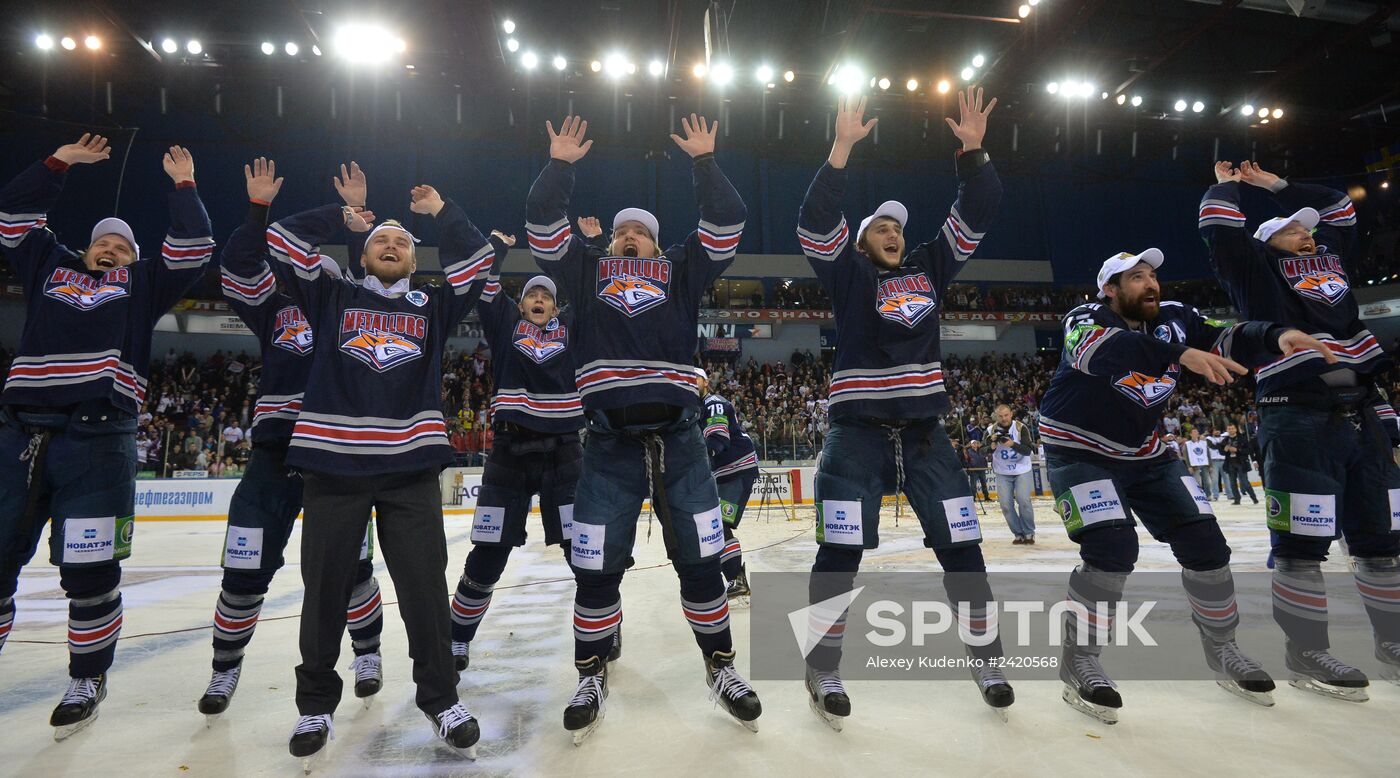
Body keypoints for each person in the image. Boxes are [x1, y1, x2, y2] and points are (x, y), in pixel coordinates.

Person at [526, 114, 761, 741]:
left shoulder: (683, 272)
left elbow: (730, 220)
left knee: (704, 563)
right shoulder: (586, 271)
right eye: (623, 232)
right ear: (611, 245)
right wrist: (560, 166)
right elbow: (541, 222)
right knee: (596, 568)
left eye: (642, 232)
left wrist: (705, 163)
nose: (630, 237)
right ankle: (591, 669)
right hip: (606, 446)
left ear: (658, 246)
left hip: (682, 443)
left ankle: (720, 667)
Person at [252, 163, 496, 765]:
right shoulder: (331, 294)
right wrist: (341, 216)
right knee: (324, 593)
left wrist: (441, 214)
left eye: (402, 242)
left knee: (424, 594)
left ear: (414, 259)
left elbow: (477, 264)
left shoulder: (432, 305)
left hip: (409, 472)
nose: (392, 246)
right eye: (381, 240)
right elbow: (280, 239)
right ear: (363, 255)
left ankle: (441, 699)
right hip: (332, 471)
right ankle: (315, 705)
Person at [1040, 247, 1335, 723]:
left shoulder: (1176, 317)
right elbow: (1098, 353)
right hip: (1078, 450)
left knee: (1208, 546)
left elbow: (1229, 335)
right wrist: (1181, 354)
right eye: (1136, 277)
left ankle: (1222, 649)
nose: (1151, 283)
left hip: (1147, 453)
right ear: (1110, 290)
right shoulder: (1085, 316)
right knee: (1111, 549)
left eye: (1153, 274)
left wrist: (1278, 335)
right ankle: (1081, 659)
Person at [797, 91, 1013, 729]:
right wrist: (839, 153)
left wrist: (973, 154)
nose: (892, 233)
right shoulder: (847, 274)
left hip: (925, 436)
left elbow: (980, 207)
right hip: (856, 435)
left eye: (897, 227)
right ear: (861, 243)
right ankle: (823, 662)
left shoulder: (928, 267)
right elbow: (812, 223)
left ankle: (986, 656)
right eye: (879, 229)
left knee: (963, 547)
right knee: (839, 551)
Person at [0, 135, 214, 739]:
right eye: (103, 243)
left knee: (91, 573)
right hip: (18, 436)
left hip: (100, 439)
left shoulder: (143, 283)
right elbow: (13, 213)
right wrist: (57, 162)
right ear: (86, 248)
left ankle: (87, 677)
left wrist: (185, 187)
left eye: (123, 246)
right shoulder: (47, 262)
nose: (112, 250)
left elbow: (195, 245)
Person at [1202, 159, 1400, 698]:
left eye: (1308, 229)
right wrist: (1228, 186)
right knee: (1301, 545)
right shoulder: (1253, 268)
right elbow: (1219, 228)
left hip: (1362, 413)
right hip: (1296, 417)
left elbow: (1341, 208)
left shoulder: (1332, 262)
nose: (1307, 235)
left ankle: (1392, 642)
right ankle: (1306, 649)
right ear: (1266, 241)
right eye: (1293, 229)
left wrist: (1279, 186)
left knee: (1383, 541)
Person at [197, 158, 385, 724]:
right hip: (274, 453)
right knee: (244, 566)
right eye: (308, 270)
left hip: (337, 457)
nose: (315, 278)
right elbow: (238, 263)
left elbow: (375, 276)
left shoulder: (353, 306)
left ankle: (368, 653)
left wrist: (359, 235)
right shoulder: (272, 306)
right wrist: (266, 212)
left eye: (325, 273)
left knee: (352, 570)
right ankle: (225, 664)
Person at [448, 233, 593, 672]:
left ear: (555, 306)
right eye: (531, 293)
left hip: (564, 454)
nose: (538, 299)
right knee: (488, 552)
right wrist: (497, 248)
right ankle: (456, 639)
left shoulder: (571, 327)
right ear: (521, 302)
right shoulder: (506, 325)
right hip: (508, 451)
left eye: (545, 295)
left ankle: (604, 627)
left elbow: (591, 293)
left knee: (583, 552)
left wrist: (590, 244)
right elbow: (487, 284)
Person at [699, 373, 760, 603]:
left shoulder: (713, 403)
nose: (690, 382)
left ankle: (736, 578)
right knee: (715, 525)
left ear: (706, 382)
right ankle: (734, 576)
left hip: (737, 470)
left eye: (696, 378)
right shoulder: (697, 409)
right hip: (727, 474)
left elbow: (717, 441)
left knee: (719, 525)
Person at [987, 404, 1036, 544]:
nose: (1004, 418)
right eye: (1000, 416)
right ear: (996, 416)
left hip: (1021, 469)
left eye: (1006, 415)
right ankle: (1018, 533)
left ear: (1011, 414)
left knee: (1024, 501)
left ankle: (1029, 532)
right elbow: (983, 450)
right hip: (1002, 471)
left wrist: (1013, 444)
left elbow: (1027, 451)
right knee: (1006, 505)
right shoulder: (991, 430)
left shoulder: (1021, 427)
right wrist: (991, 447)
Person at [1221, 423, 1258, 505]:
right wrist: (1225, 450)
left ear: (1235, 429)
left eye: (1232, 428)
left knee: (1245, 482)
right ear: (1227, 430)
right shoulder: (1225, 440)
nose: (1231, 430)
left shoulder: (1242, 438)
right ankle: (1237, 500)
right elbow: (1221, 452)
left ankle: (1254, 498)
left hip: (1241, 463)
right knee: (1232, 483)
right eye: (1229, 429)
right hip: (1230, 463)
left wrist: (1237, 450)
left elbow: (1248, 450)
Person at [1184, 429, 1215, 499]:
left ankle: (1208, 495)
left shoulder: (1203, 443)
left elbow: (1208, 454)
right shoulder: (1187, 444)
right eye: (1194, 432)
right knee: (1198, 482)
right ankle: (1199, 496)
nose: (1196, 433)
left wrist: (1210, 465)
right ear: (1190, 434)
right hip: (1194, 465)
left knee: (1207, 482)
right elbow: (1186, 456)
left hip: (1204, 464)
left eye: (1197, 432)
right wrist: (1189, 466)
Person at [1206, 427, 1231, 501]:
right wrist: (1221, 446)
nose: (1217, 431)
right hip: (1214, 461)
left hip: (1224, 460)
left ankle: (1230, 495)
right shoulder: (1209, 438)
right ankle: (1215, 495)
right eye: (1215, 430)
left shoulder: (1224, 437)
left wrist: (1219, 445)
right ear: (1212, 432)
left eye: (1218, 430)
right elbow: (1212, 446)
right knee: (1215, 480)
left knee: (1227, 479)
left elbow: (1225, 445)